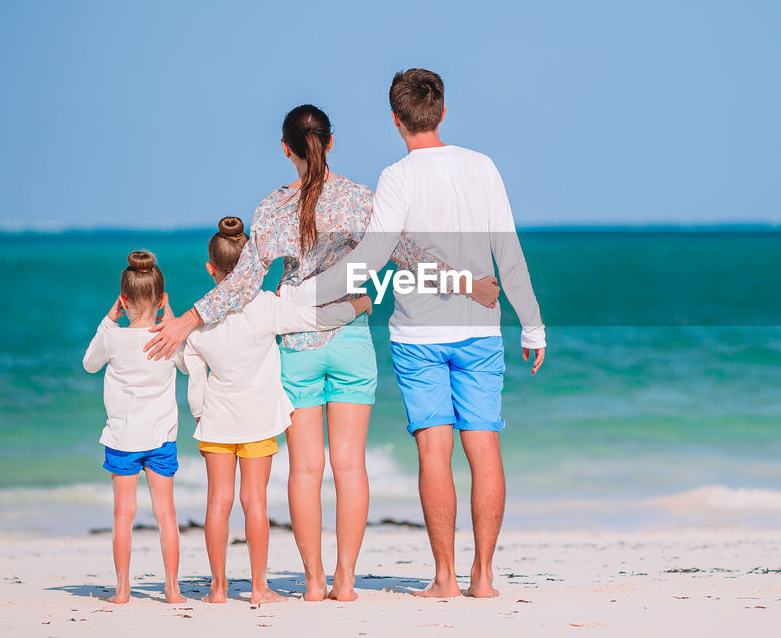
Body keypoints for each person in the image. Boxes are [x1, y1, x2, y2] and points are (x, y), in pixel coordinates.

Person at [144, 105, 498, 602]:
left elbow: (243, 284)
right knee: (350, 466)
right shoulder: (360, 200)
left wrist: (186, 321)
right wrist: (470, 285)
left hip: (296, 347)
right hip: (350, 338)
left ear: (286, 149)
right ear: (331, 143)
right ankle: (346, 582)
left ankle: (312, 583)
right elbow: (410, 256)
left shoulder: (271, 208)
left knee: (306, 469)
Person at [288, 68, 546, 599]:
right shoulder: (483, 167)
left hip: (418, 337)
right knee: (485, 447)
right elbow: (510, 251)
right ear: (442, 111)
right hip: (479, 332)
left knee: (434, 453)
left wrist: (307, 295)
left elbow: (370, 260)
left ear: (395, 119)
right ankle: (484, 577)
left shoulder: (397, 177)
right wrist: (533, 324)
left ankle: (445, 579)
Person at [184, 217, 372, 605]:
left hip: (216, 426)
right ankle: (267, 587)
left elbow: (193, 371)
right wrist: (356, 307)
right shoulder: (268, 307)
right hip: (260, 422)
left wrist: (199, 411)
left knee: (221, 501)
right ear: (255, 263)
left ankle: (224, 589)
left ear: (211, 269)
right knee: (262, 499)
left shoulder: (201, 325)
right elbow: (314, 319)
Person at [82, 250, 186, 605]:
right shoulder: (168, 339)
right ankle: (172, 589)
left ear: (122, 302)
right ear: (161, 301)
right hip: (161, 438)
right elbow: (188, 366)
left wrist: (108, 320)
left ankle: (123, 589)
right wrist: (171, 321)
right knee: (166, 514)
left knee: (122, 516)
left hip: (123, 439)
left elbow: (89, 363)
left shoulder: (112, 338)